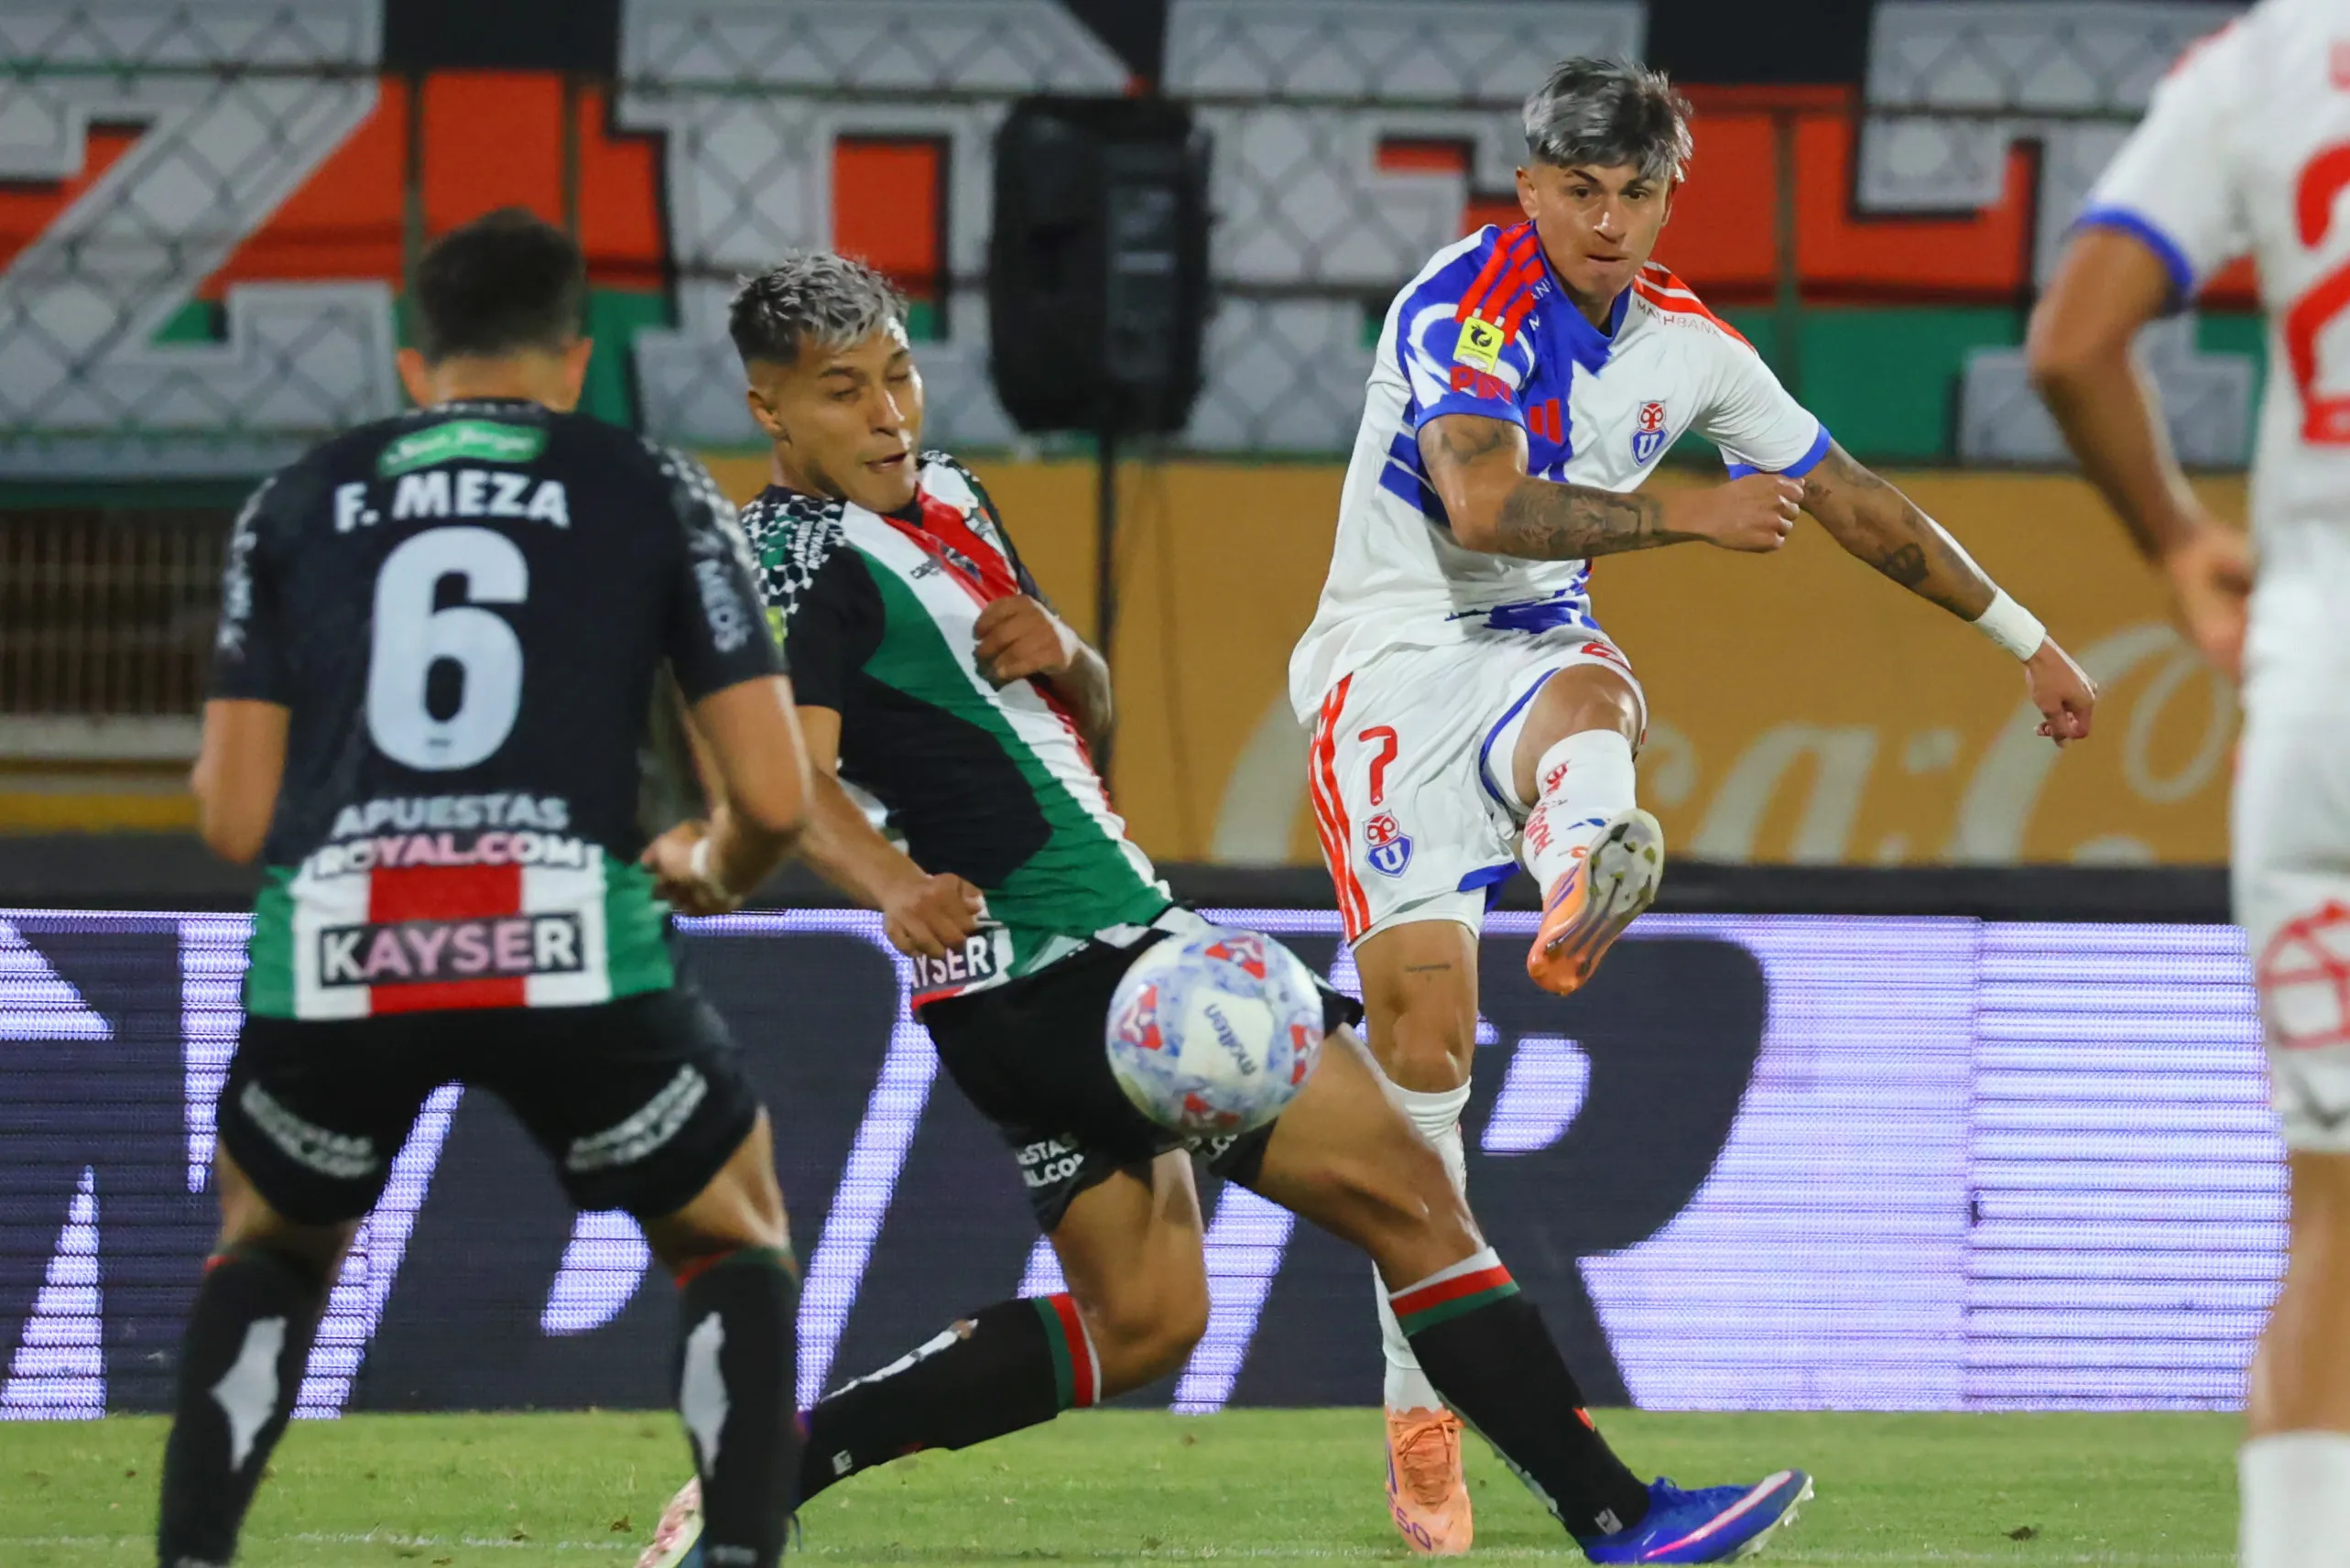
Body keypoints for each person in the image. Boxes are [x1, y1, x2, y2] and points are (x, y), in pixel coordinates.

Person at [634, 251, 1812, 1568]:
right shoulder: (791, 557)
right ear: (770, 410)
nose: (885, 414)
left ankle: (767, 1468)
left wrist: (1071, 654)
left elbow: (1079, 732)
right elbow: (781, 780)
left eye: (897, 375)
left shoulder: (949, 495)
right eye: (842, 391)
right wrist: (893, 885)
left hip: (1029, 992)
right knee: (1411, 1198)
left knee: (1143, 1321)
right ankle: (1622, 1519)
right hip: (1086, 960)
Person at [1289, 57, 2103, 1552]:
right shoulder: (1463, 307)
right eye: (1578, 190)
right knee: (1422, 1067)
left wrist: (2022, 637)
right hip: (1386, 671)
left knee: (1594, 695)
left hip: (1532, 649)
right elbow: (1480, 507)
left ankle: (1578, 863)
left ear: (1668, 197)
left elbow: (1849, 496)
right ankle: (1418, 1410)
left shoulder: (1689, 347)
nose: (1606, 220)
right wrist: (1690, 512)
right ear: (1528, 188)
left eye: (1636, 191)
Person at [161, 208, 813, 1568]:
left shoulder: (294, 500)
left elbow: (231, 819)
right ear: (575, 361)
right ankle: (742, 1553)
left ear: (415, 366)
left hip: (344, 945)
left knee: (271, 1245)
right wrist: (712, 868)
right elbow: (770, 798)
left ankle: (191, 1558)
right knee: (732, 1232)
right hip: (570, 933)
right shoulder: (652, 484)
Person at [2025, 5, 2350, 1563]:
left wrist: (2171, 539)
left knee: (2334, 1226)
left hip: (2321, 683)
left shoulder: (2271, 57)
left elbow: (2071, 343)